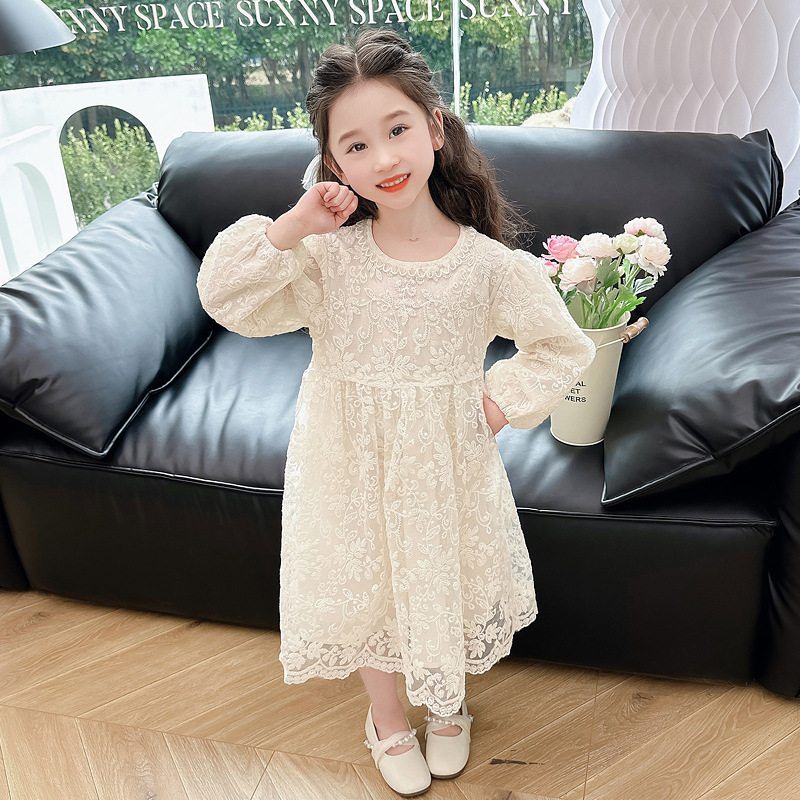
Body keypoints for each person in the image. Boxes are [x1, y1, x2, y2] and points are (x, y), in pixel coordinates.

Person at [195, 27, 597, 798]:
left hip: (446, 461)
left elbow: (560, 346)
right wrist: (295, 225)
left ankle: (447, 706)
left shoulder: (488, 266)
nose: (383, 158)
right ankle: (385, 718)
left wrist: (498, 403)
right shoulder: (326, 259)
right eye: (355, 145)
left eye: (398, 129)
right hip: (346, 456)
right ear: (333, 164)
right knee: (367, 584)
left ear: (435, 128)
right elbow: (226, 297)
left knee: (440, 573)